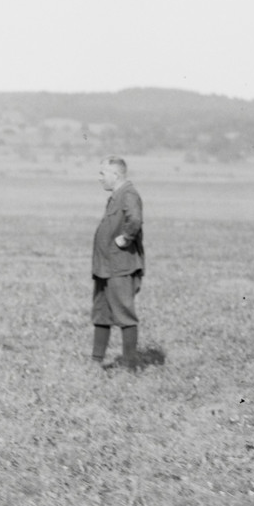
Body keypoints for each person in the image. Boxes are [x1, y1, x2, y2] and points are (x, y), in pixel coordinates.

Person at [91, 157, 146, 369]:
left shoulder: (128, 194)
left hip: (120, 266)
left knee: (125, 314)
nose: (99, 178)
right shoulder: (116, 196)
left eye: (102, 173)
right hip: (105, 267)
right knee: (102, 313)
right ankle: (96, 363)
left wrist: (126, 238)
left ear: (115, 175)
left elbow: (135, 219)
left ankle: (130, 366)